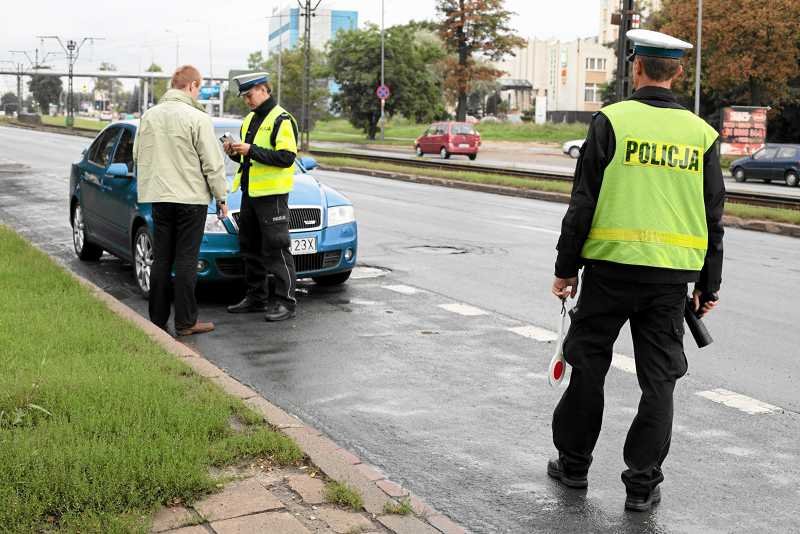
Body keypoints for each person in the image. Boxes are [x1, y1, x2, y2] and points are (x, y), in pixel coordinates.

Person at [547, 29, 725, 511]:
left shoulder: (611, 121)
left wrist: (566, 270)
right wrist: (709, 285)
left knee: (588, 370)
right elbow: (713, 217)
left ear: (636, 67)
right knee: (659, 382)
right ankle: (642, 487)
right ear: (679, 72)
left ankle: (574, 467)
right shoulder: (701, 134)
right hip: (669, 283)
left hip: (607, 275)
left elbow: (582, 203)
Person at [133, 65, 228, 336]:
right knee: (186, 259)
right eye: (198, 88)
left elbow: (138, 156)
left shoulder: (148, 117)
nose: (198, 93)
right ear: (191, 86)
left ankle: (157, 318)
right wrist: (221, 196)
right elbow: (213, 163)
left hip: (160, 198)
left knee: (162, 258)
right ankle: (186, 322)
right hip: (190, 199)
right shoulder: (196, 118)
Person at [223, 72, 299, 322]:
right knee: (250, 248)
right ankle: (256, 297)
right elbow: (248, 159)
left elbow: (286, 158)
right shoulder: (249, 120)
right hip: (250, 193)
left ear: (263, 89)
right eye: (244, 97)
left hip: (272, 196)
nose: (247, 100)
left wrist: (251, 150)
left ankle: (286, 301)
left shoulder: (282, 119)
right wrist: (234, 152)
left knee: (276, 249)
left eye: (249, 95)